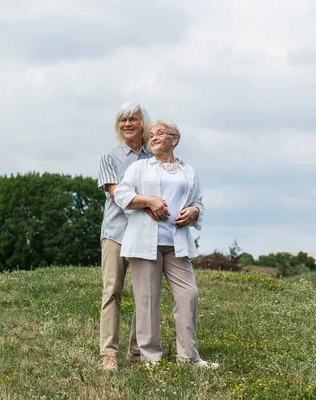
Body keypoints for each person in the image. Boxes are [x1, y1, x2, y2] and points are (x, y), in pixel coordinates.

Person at [113, 120, 220, 369]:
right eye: (150, 135)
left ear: (175, 139)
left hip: (176, 242)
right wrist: (149, 201)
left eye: (160, 133)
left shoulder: (188, 172)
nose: (153, 137)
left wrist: (194, 211)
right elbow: (121, 194)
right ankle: (151, 358)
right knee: (147, 300)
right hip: (144, 242)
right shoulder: (140, 168)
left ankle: (189, 357)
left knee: (188, 295)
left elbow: (198, 203)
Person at [97, 102, 154, 372]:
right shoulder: (110, 157)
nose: (128, 124)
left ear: (143, 123)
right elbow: (117, 196)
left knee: (144, 294)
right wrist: (152, 202)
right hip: (116, 233)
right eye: (123, 120)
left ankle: (135, 351)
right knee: (112, 292)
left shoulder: (153, 156)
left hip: (144, 234)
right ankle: (108, 354)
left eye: (133, 118)